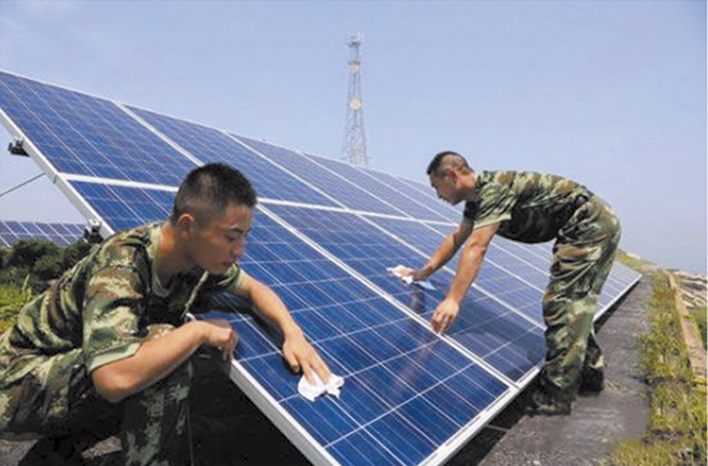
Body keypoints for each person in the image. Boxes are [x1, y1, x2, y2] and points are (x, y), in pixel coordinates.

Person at [0, 163, 330, 465]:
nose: (240, 250)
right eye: (231, 236)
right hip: (14, 387)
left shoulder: (198, 260)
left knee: (175, 355)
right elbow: (113, 380)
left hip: (68, 378)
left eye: (244, 236)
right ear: (188, 226)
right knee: (169, 345)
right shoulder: (122, 264)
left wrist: (292, 334)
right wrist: (197, 331)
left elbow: (255, 289)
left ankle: (54, 455)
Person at [402, 151, 621, 415]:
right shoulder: (476, 202)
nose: (438, 194)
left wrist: (453, 300)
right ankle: (590, 377)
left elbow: (477, 246)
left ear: (452, 175)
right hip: (589, 223)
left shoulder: (493, 190)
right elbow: (458, 238)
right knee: (577, 306)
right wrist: (425, 271)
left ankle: (557, 396)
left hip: (589, 224)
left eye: (437, 186)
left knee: (563, 303)